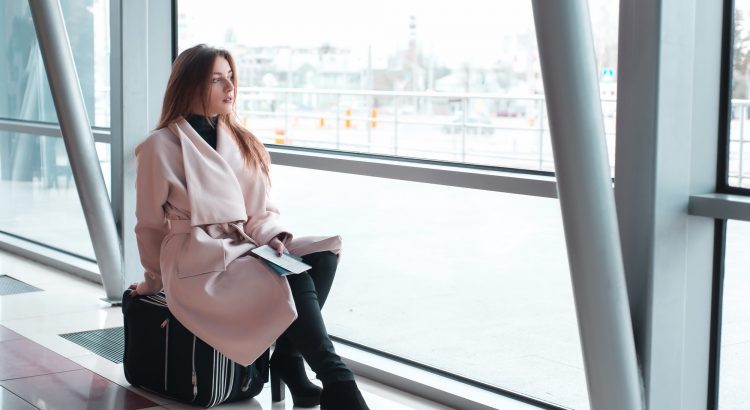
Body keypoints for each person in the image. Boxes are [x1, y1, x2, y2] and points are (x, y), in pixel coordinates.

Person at [129, 44, 369, 410]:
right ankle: (338, 379)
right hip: (197, 263)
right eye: (216, 79)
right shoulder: (159, 147)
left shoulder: (241, 141)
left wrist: (274, 239)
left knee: (321, 254)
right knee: (292, 276)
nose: (230, 88)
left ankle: (289, 362)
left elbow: (259, 212)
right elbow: (148, 226)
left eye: (231, 77)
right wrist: (151, 281)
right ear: (190, 84)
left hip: (243, 247)